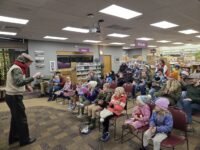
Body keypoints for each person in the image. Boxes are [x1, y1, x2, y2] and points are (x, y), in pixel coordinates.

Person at [5, 53, 41, 146]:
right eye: (29, 63)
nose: (29, 65)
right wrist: (33, 77)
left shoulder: (17, 67)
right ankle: (24, 140)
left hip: (11, 96)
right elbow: (19, 82)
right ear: (24, 61)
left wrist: (27, 86)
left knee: (15, 118)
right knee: (21, 119)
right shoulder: (17, 68)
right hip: (14, 97)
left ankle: (14, 137)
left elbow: (18, 80)